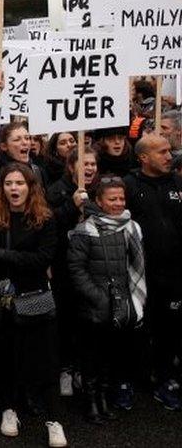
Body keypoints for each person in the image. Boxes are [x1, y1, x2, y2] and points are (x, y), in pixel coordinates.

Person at [0, 163, 67, 447]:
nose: (14, 188)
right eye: (9, 184)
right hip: (2, 301)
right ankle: (9, 410)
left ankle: (54, 421)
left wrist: (3, 254)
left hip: (34, 297)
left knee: (44, 361)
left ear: (30, 187)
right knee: (6, 359)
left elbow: (43, 258)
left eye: (20, 183)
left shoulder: (44, 218)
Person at [67, 176, 146, 423]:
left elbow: (136, 267)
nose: (119, 203)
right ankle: (91, 402)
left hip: (121, 303)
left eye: (122, 198)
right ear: (99, 201)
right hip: (94, 305)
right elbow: (76, 269)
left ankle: (103, 398)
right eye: (112, 199)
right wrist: (98, 298)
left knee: (110, 355)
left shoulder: (132, 227)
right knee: (91, 356)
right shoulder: (84, 230)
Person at [123, 135, 182, 410]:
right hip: (138, 274)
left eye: (169, 151)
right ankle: (130, 379)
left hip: (173, 274)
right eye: (162, 152)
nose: (169, 156)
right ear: (143, 158)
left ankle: (165, 378)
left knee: (169, 327)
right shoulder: (130, 185)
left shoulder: (177, 184)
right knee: (136, 328)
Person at [46, 148, 99, 396]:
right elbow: (46, 223)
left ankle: (82, 368)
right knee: (65, 319)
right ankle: (64, 368)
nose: (90, 168)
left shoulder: (99, 191)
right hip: (63, 266)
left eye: (93, 164)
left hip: (92, 267)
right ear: (71, 166)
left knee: (87, 319)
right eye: (84, 163)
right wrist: (71, 206)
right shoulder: (56, 191)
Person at [0, 122, 48, 186]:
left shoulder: (37, 171)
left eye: (27, 138)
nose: (25, 142)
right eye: (17, 140)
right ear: (4, 146)